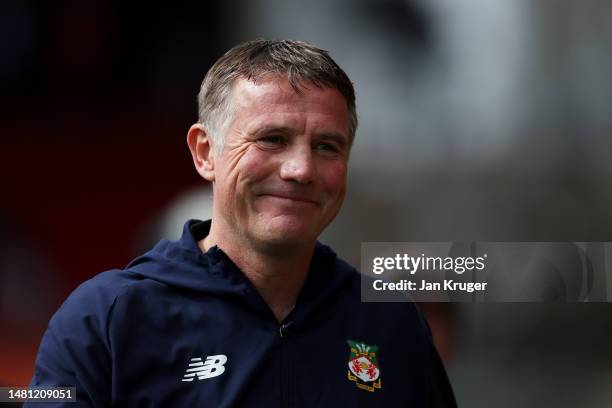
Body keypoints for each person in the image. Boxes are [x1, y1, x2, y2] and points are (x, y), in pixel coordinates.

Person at [27, 39, 456, 407]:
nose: (300, 169)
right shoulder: (104, 320)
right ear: (204, 152)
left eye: (327, 146)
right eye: (272, 139)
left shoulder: (391, 325)